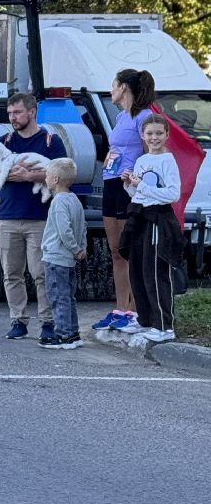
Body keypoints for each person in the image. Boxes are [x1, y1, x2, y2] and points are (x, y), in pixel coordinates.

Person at [0, 93, 66, 341]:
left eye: (17, 112)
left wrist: (31, 177)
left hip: (40, 217)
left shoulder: (51, 142)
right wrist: (10, 175)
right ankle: (17, 320)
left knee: (41, 273)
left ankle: (48, 323)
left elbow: (62, 175)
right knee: (11, 272)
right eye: (10, 113)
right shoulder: (4, 141)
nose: (13, 118)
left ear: (32, 112)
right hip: (7, 216)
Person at [91, 68, 156, 334]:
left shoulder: (143, 117)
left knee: (130, 250)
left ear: (124, 88)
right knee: (116, 250)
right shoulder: (119, 116)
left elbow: (151, 150)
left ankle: (136, 309)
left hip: (126, 186)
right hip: (110, 182)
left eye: (114, 85)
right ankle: (120, 308)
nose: (111, 90)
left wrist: (137, 179)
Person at [121, 114, 183, 347]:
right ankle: (146, 319)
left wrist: (142, 184)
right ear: (142, 136)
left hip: (159, 219)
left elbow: (172, 194)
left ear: (167, 135)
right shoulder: (141, 160)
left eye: (159, 133)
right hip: (140, 218)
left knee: (155, 272)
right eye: (150, 134)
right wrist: (128, 183)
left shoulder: (168, 160)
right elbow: (138, 194)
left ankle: (165, 326)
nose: (154, 137)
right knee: (137, 269)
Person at [39, 157, 87, 349]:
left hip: (56, 256)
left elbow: (63, 230)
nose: (46, 178)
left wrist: (74, 248)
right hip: (69, 259)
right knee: (68, 296)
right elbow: (82, 226)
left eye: (48, 175)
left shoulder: (58, 202)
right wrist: (80, 248)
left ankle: (63, 335)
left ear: (56, 179)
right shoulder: (74, 200)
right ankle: (73, 333)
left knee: (58, 296)